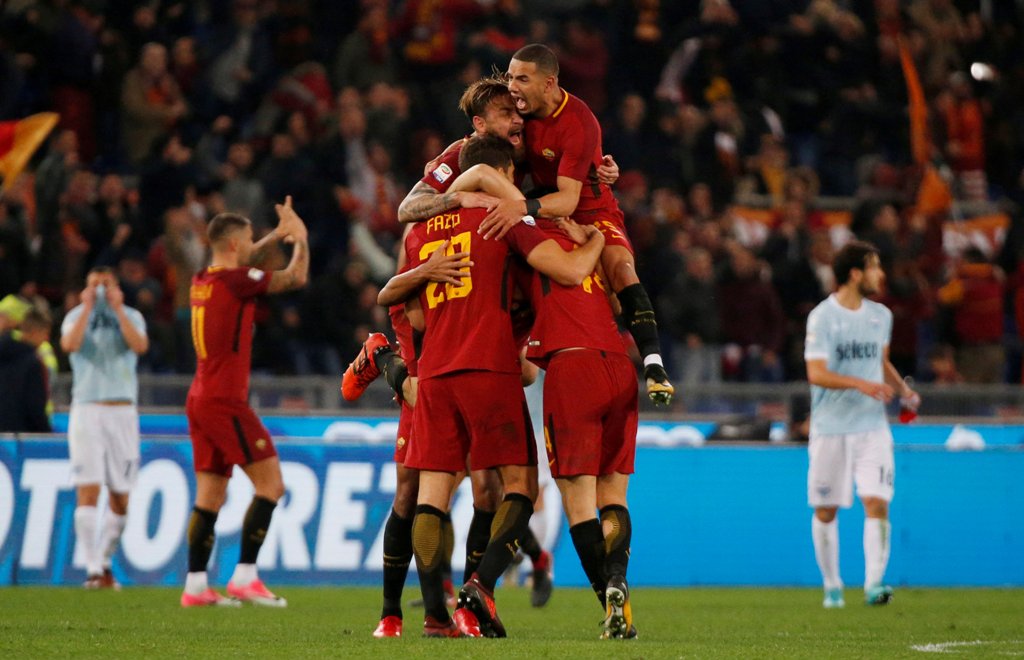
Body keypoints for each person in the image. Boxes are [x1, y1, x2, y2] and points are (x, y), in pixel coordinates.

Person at [401, 134, 604, 638]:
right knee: (522, 486)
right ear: (503, 174)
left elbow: (413, 315)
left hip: (434, 372)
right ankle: (480, 588)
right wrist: (595, 238)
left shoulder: (420, 229)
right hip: (488, 367)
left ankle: (433, 616)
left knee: (433, 494)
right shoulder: (504, 219)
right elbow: (570, 272)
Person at [481, 43, 673, 405]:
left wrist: (520, 206)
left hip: (590, 208)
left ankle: (653, 364)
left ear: (549, 83)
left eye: (522, 78)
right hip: (540, 199)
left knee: (620, 270)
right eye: (509, 77)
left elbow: (569, 200)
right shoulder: (519, 113)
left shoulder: (579, 121)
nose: (512, 87)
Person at [180, 197, 309, 607]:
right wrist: (299, 240)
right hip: (224, 401)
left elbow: (245, 256)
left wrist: (275, 233)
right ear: (234, 246)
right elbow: (294, 278)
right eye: (250, 239)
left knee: (210, 495)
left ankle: (196, 587)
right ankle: (245, 577)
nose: (255, 244)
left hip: (199, 398)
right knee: (272, 485)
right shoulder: (237, 282)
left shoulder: (202, 278)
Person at [804, 241, 920, 608]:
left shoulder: (881, 316)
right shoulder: (823, 317)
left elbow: (879, 361)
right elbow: (816, 373)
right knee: (826, 510)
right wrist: (861, 383)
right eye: (874, 267)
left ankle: (873, 584)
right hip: (830, 427)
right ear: (855, 274)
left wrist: (903, 390)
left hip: (872, 428)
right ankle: (833, 585)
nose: (880, 274)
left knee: (877, 501)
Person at [60, 268, 149, 589]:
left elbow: (139, 346)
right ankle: (93, 568)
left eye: (105, 284)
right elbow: (69, 344)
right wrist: (86, 307)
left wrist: (116, 309)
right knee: (89, 487)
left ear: (117, 287)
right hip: (87, 408)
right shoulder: (74, 316)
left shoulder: (132, 316)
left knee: (121, 499)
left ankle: (104, 559)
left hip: (122, 410)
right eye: (93, 284)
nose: (99, 290)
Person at [0, 309, 53, 433]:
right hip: (24, 436)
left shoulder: (3, 354)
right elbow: (34, 406)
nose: (46, 339)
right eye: (45, 333)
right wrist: (45, 432)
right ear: (34, 332)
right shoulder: (32, 363)